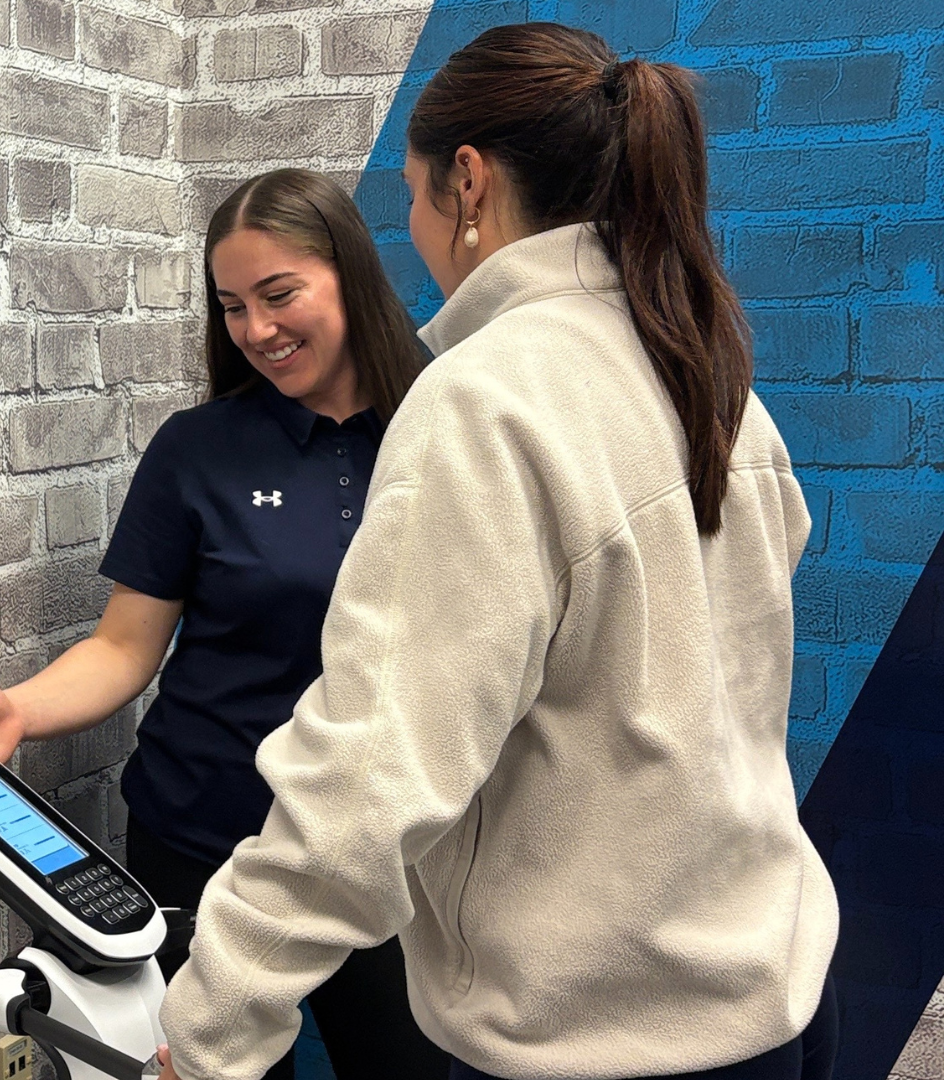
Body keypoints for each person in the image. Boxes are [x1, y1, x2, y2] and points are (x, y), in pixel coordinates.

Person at [153, 22, 840, 1080]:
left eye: (417, 199)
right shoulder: (707, 374)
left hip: (592, 1038)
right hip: (769, 995)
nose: (418, 231)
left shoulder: (483, 397)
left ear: (467, 185)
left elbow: (369, 774)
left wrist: (206, 1033)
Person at [0, 168, 449, 1080]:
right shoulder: (200, 448)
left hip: (384, 851)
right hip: (204, 840)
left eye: (280, 295)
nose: (257, 331)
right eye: (232, 307)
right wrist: (21, 712)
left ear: (350, 272)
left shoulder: (446, 422)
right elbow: (125, 645)